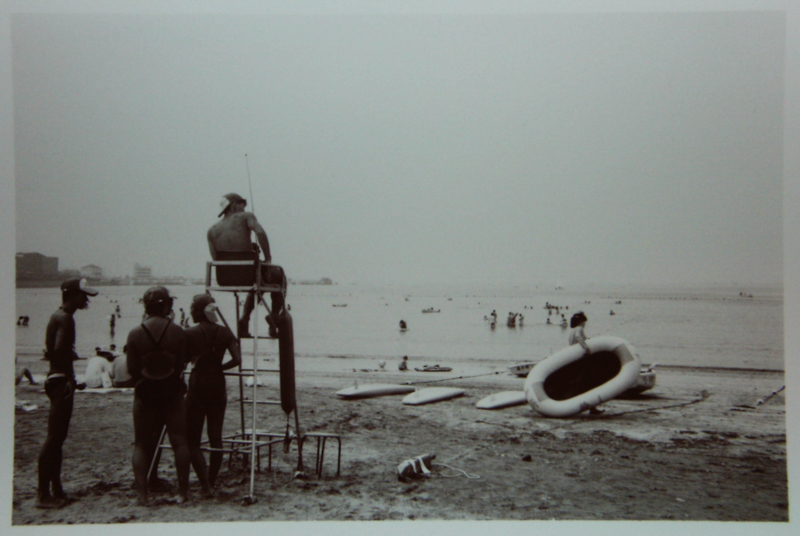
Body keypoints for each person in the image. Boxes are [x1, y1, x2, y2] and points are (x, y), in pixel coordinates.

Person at [126, 286, 191, 505]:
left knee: (141, 444)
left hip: (146, 390)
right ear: (166, 305)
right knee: (180, 441)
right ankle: (183, 493)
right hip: (171, 389)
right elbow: (182, 363)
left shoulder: (135, 333)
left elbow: (132, 369)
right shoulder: (177, 331)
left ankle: (142, 496)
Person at [37, 278, 98, 508]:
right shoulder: (66, 318)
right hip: (61, 381)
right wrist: (71, 379)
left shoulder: (58, 315)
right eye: (83, 296)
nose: (86, 300)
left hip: (56, 378)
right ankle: (43, 495)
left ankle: (57, 490)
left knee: (57, 439)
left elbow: (52, 350)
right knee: (54, 438)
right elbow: (60, 350)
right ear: (72, 295)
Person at [207, 193, 287, 338]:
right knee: (277, 274)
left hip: (225, 279)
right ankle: (274, 315)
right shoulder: (246, 217)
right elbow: (260, 232)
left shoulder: (212, 230)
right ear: (234, 205)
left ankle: (244, 319)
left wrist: (249, 250)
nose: (245, 206)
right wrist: (267, 258)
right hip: (249, 274)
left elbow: (216, 257)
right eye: (242, 203)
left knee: (256, 279)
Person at [184, 294, 241, 492]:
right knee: (216, 435)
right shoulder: (225, 332)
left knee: (193, 439)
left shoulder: (190, 333)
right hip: (217, 383)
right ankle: (212, 478)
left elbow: (182, 360)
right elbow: (237, 359)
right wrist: (220, 367)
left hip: (198, 383)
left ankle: (204, 484)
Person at [568, 312, 603, 415]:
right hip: (581, 359)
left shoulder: (572, 330)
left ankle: (591, 408)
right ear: (581, 321)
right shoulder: (579, 329)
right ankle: (592, 408)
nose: (585, 324)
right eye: (584, 322)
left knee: (581, 382)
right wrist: (586, 348)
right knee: (588, 382)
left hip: (574, 358)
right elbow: (579, 337)